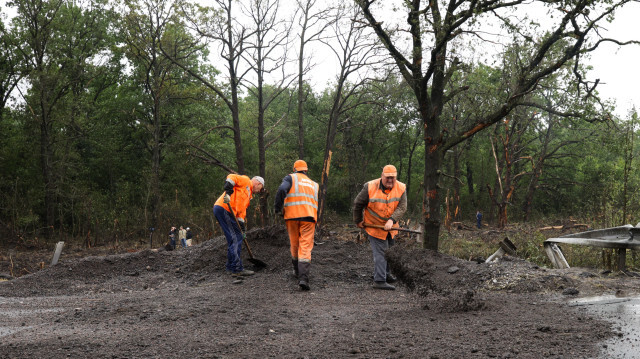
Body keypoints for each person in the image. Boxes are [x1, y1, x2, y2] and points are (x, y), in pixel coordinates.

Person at [353, 165, 407, 290]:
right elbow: (358, 203)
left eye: (392, 178)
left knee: (390, 251)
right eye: (387, 177)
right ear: (382, 176)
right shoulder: (370, 187)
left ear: (396, 177)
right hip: (374, 226)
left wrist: (391, 220)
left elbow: (402, 207)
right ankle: (379, 280)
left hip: (391, 227)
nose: (390, 180)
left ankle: (386, 275)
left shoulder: (401, 187)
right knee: (381, 253)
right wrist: (358, 220)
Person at [274, 160, 319, 291]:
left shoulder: (291, 177)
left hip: (292, 216)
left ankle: (296, 271)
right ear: (306, 170)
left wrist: (277, 208)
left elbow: (282, 189)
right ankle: (303, 278)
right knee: (305, 246)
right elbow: (317, 203)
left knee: (294, 244)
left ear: (295, 169)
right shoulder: (314, 184)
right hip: (309, 218)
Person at [213, 173, 265, 278]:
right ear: (258, 183)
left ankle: (231, 266)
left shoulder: (248, 196)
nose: (260, 191)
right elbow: (232, 177)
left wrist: (242, 228)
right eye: (261, 188)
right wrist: (228, 190)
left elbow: (241, 213)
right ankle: (236, 269)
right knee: (236, 238)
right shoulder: (246, 181)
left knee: (235, 237)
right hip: (224, 208)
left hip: (228, 212)